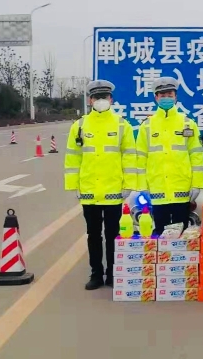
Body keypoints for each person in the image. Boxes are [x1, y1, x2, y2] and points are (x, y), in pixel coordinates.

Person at [64, 80, 136, 290]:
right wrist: (74, 185)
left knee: (113, 234)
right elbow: (73, 158)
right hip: (89, 191)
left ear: (111, 99)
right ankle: (96, 273)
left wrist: (128, 184)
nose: (101, 100)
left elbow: (129, 157)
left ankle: (113, 273)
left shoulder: (122, 125)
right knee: (93, 235)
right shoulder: (79, 126)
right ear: (90, 100)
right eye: (97, 97)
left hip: (114, 190)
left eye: (104, 97)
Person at [136, 77, 203, 236]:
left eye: (170, 95)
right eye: (162, 95)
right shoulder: (146, 126)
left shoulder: (188, 124)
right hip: (157, 191)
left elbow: (196, 156)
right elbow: (140, 158)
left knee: (182, 236)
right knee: (160, 236)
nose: (166, 98)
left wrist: (197, 184)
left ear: (175, 97)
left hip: (182, 190)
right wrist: (142, 187)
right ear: (156, 97)